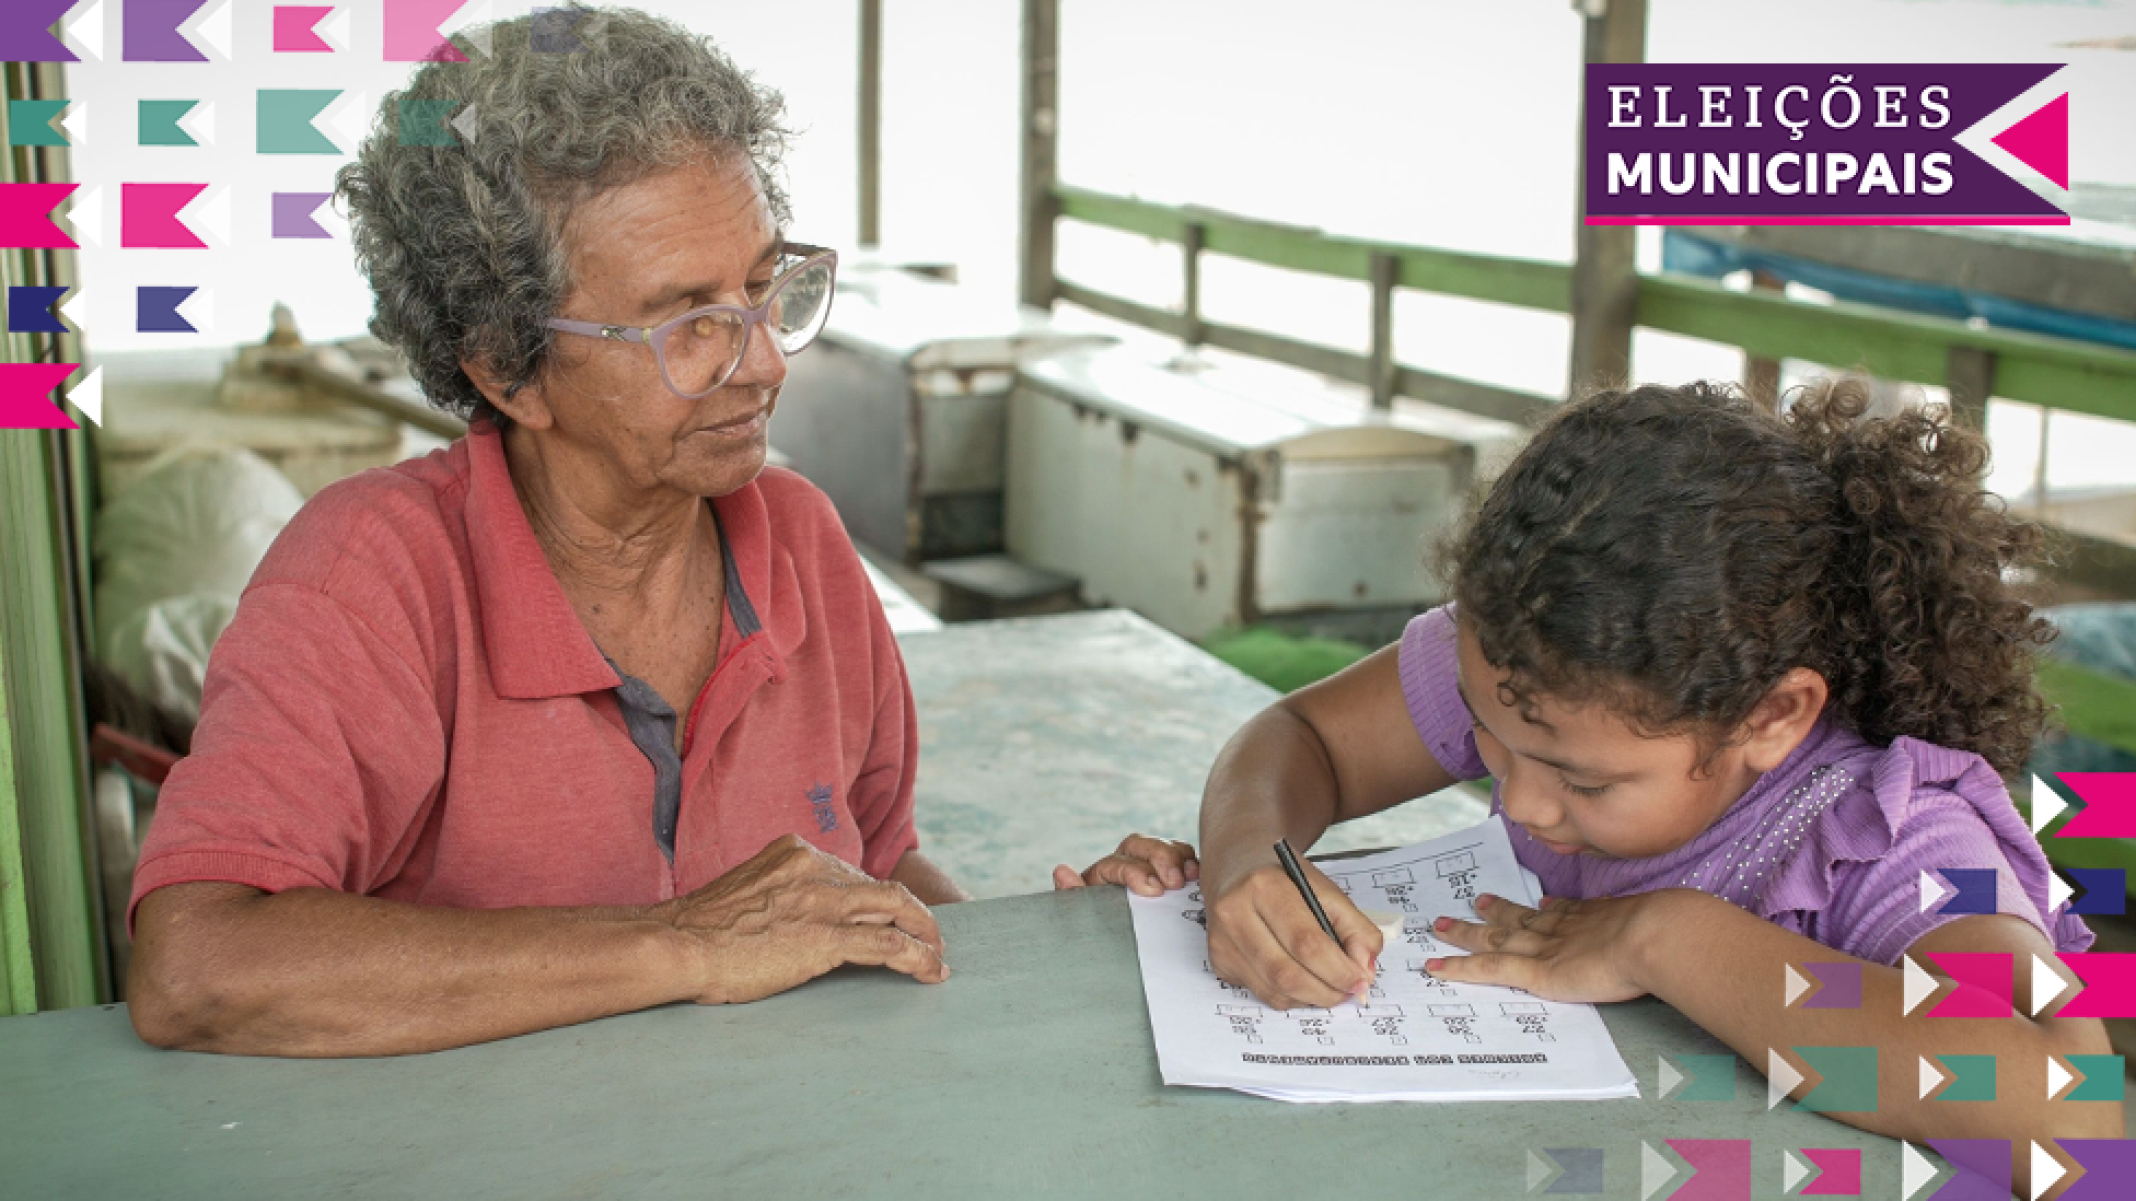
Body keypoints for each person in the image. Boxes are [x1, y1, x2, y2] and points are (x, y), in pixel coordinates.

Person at [127, 6, 1160, 1058]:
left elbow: (877, 865)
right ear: (502, 363)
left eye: (765, 289)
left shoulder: (798, 542)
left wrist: (1056, 940)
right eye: (688, 322)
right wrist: (686, 945)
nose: (763, 362)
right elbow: (198, 964)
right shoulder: (371, 581)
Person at [1063, 379, 2117, 1187]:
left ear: (1773, 715)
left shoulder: (1893, 836)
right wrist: (1258, 861)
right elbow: (1302, 737)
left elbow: (2067, 1110)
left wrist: (1667, 935)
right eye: (1485, 738)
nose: (1517, 802)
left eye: (1581, 781)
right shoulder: (1536, 675)